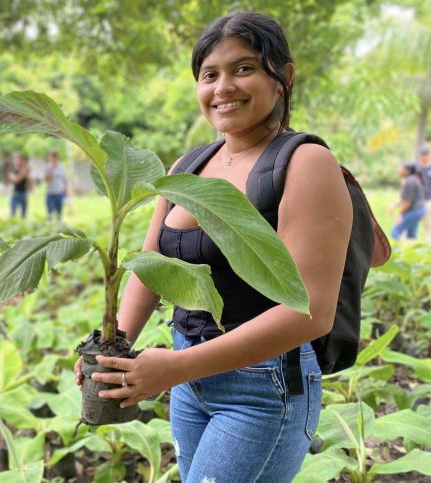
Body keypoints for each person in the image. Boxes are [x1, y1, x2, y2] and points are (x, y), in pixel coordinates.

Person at [78, 11, 352, 482]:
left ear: (283, 77)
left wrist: (176, 368)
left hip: (263, 389)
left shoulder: (306, 163)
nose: (223, 87)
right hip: (188, 381)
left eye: (243, 68)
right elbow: (150, 268)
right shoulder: (190, 165)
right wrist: (111, 348)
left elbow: (310, 312)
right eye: (210, 75)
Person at [390, 162, 426, 241]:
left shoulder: (410, 182)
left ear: (407, 170)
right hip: (419, 210)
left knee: (395, 231)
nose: (398, 170)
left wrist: (400, 214)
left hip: (415, 211)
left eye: (400, 168)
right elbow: (406, 198)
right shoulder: (413, 179)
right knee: (411, 235)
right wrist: (394, 205)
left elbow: (407, 203)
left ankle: (396, 251)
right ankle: (412, 252)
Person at [415, 145, 431, 240]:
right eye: (422, 154)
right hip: (419, 199)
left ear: (429, 155)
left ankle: (429, 239)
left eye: (426, 154)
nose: (424, 156)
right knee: (422, 220)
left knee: (428, 220)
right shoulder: (416, 168)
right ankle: (425, 238)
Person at [44, 151, 67, 220]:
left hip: (59, 193)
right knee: (50, 214)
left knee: (59, 214)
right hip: (50, 194)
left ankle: (59, 229)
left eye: (53, 159)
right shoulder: (47, 167)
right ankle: (50, 228)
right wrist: (51, 169)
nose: (52, 160)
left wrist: (67, 194)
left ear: (57, 158)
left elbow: (65, 181)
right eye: (50, 159)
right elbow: (46, 180)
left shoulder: (61, 168)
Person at [8, 152, 30, 218]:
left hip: (24, 193)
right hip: (15, 193)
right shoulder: (12, 169)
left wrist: (25, 173)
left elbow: (28, 181)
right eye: (17, 159)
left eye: (20, 159)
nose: (18, 161)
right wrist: (23, 172)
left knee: (23, 215)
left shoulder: (25, 169)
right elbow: (16, 180)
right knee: (12, 214)